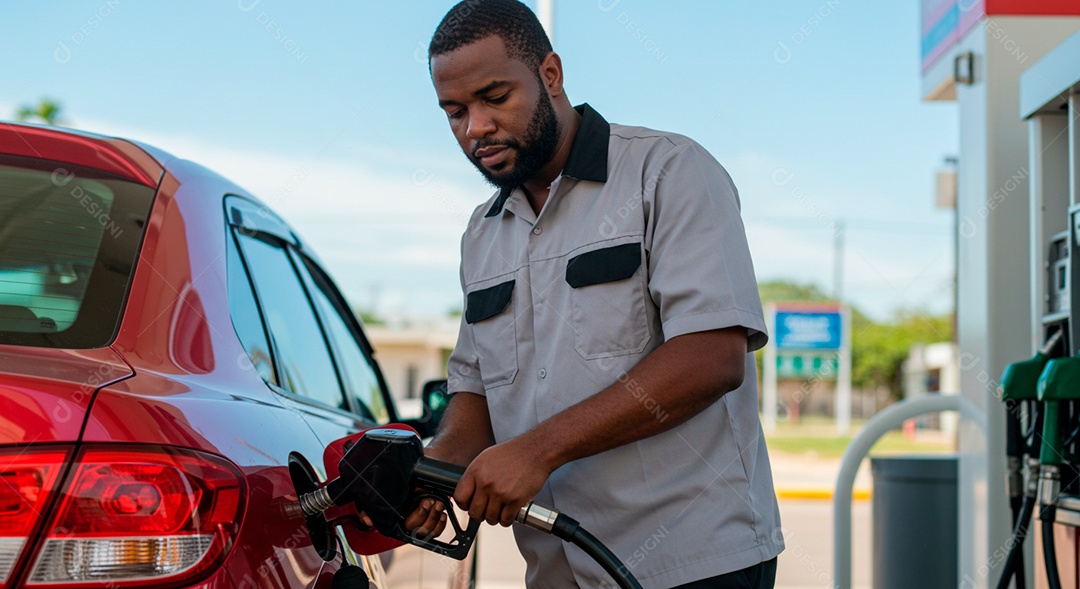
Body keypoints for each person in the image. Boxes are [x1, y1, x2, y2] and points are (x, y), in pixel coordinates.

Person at [406, 1, 783, 587]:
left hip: (691, 564)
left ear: (550, 75)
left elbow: (712, 356)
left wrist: (538, 450)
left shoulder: (667, 172)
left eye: (495, 98)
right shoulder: (482, 233)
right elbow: (476, 394)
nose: (474, 128)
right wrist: (431, 475)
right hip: (557, 570)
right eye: (454, 111)